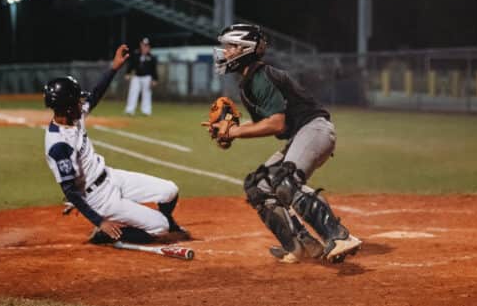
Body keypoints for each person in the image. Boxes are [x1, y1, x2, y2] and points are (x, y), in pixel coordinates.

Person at [211, 24, 362, 263]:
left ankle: (338, 236)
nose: (225, 52)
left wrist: (235, 132)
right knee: (258, 186)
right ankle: (301, 246)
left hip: (315, 129)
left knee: (284, 181)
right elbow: (266, 121)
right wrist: (228, 132)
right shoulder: (250, 80)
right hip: (302, 135)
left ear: (245, 50)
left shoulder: (260, 77)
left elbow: (277, 124)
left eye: (230, 47)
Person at [43, 44, 188, 245]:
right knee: (159, 227)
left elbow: (95, 94)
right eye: (77, 101)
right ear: (67, 108)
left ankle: (169, 222)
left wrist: (114, 67)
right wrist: (99, 221)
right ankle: (105, 235)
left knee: (170, 190)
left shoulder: (74, 116)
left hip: (111, 177)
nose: (81, 103)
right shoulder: (59, 145)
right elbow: (69, 190)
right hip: (99, 199)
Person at [124, 37, 158, 116]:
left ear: (149, 47)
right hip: (136, 77)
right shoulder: (136, 54)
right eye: (144, 45)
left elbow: (154, 70)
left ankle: (146, 111)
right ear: (141, 45)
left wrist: (155, 79)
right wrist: (128, 73)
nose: (145, 47)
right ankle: (130, 110)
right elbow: (131, 65)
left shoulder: (152, 57)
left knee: (147, 94)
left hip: (147, 78)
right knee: (133, 92)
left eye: (147, 46)